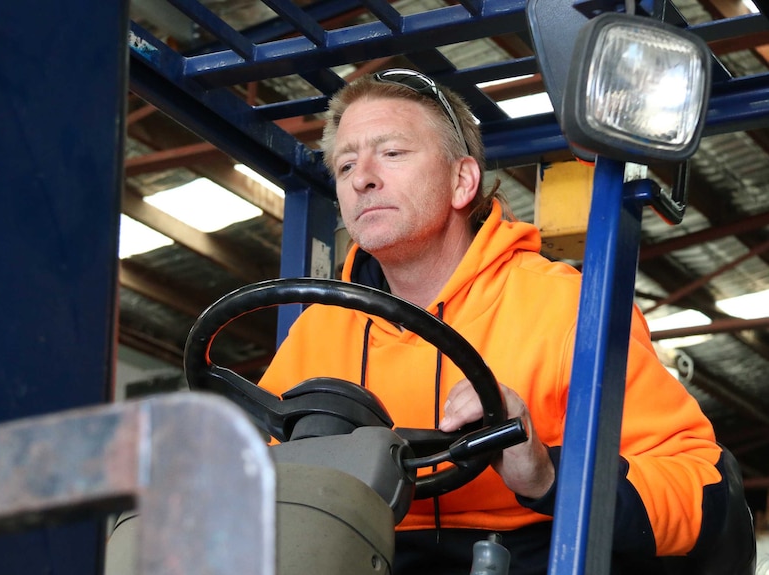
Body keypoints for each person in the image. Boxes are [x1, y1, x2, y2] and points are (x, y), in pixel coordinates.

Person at [257, 69, 729, 575]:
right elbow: (254, 482)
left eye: (391, 153)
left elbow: (698, 485)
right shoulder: (320, 329)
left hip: (530, 552)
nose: (361, 177)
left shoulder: (565, 305)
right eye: (345, 164)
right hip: (364, 552)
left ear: (462, 181)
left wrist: (547, 474)